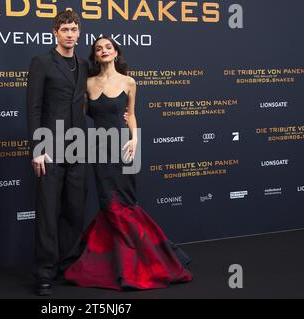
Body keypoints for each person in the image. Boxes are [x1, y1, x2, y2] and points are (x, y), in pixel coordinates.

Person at [64, 36, 193, 290]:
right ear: (95, 55)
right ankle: (122, 262)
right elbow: (77, 116)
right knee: (109, 205)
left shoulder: (129, 82)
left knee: (126, 203)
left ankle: (138, 261)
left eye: (107, 47)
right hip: (100, 148)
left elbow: (131, 115)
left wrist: (135, 140)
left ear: (115, 52)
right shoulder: (88, 83)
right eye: (98, 48)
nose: (103, 51)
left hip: (125, 147)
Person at [26, 10, 89, 296]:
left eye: (74, 29)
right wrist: (37, 149)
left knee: (75, 211)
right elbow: (34, 108)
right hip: (49, 148)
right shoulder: (41, 62)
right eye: (65, 29)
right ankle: (45, 272)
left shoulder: (84, 64)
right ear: (55, 32)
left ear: (79, 32)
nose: (70, 34)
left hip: (79, 147)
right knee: (48, 212)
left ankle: (67, 265)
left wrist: (126, 115)